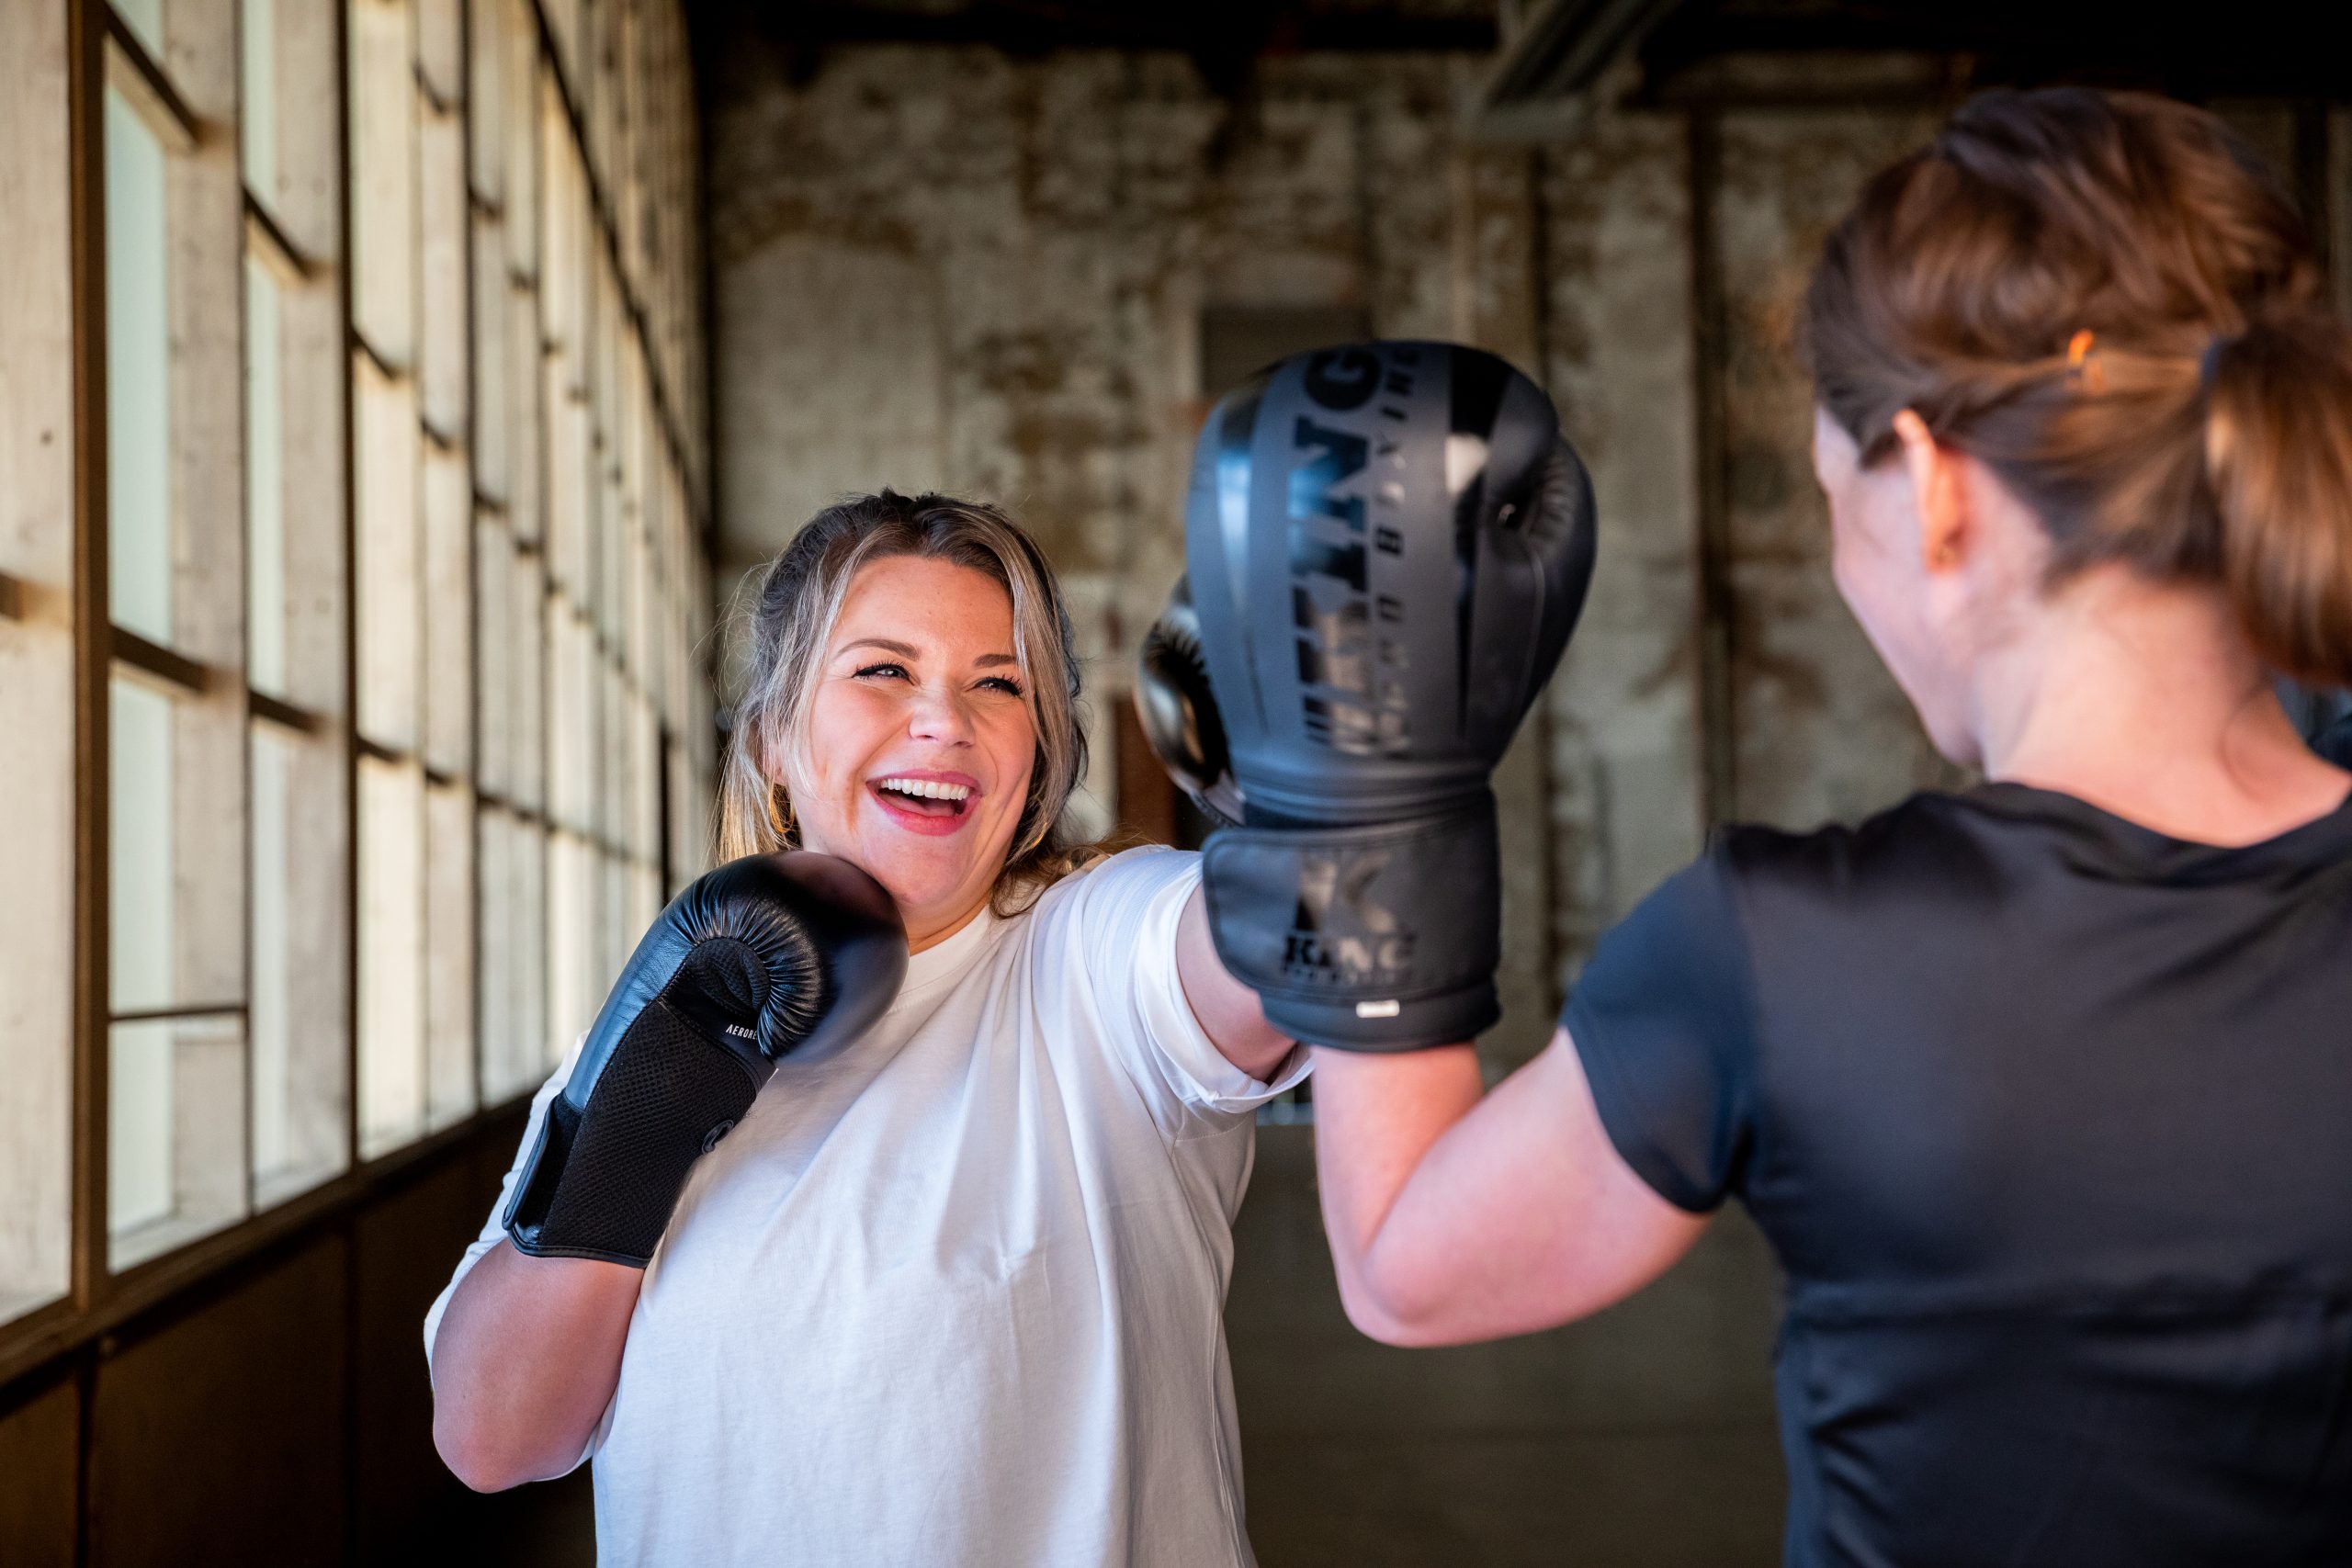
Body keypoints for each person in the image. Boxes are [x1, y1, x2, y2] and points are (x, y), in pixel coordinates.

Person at [1274, 91, 2352, 1565]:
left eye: (1832, 495)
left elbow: (1410, 1267)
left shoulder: (1788, 953)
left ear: (1937, 490)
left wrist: (1361, 775)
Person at [425, 492, 1307, 1568]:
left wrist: (1311, 806)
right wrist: (643, 1107)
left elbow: (1261, 946)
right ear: (774, 741)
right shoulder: (680, 1017)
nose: (945, 720)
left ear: (1036, 757)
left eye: (1000, 683)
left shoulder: (1088, 961)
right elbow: (494, 1435)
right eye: (883, 671)